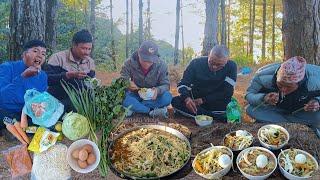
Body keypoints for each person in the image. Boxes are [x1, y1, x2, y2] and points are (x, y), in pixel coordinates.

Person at [245, 56, 320, 138]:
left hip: (301, 112)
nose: (283, 90)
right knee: (251, 109)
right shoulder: (262, 77)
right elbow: (249, 95)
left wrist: (317, 101)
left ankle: (279, 121)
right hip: (277, 110)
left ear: (299, 83)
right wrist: (264, 98)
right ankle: (299, 123)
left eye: (289, 86)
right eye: (280, 85)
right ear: (277, 77)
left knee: (317, 116)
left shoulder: (316, 79)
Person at [172, 45, 237, 120]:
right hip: (195, 100)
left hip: (216, 101)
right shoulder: (195, 63)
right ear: (209, 55)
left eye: (219, 65)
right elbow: (182, 84)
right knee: (175, 101)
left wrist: (204, 100)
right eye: (211, 62)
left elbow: (227, 92)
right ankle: (216, 117)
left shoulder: (231, 66)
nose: (214, 67)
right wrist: (187, 99)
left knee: (226, 103)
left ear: (227, 60)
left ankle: (198, 114)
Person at [0, 40, 47, 130]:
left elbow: (40, 100)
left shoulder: (43, 76)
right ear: (24, 54)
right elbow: (2, 97)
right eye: (35, 51)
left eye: (43, 54)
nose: (40, 55)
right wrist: (22, 77)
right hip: (7, 112)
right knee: (6, 119)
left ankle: (20, 130)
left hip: (28, 116)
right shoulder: (7, 68)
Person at [44, 29, 95, 111]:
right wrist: (67, 75)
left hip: (80, 104)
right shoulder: (57, 58)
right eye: (84, 48)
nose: (87, 52)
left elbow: (90, 83)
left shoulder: (90, 62)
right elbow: (47, 79)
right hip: (58, 101)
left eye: (89, 49)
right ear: (74, 45)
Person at [121, 40, 172, 118]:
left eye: (151, 61)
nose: (147, 64)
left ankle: (136, 108)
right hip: (136, 94)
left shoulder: (162, 65)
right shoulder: (128, 63)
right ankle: (151, 111)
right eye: (144, 60)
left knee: (167, 97)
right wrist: (127, 83)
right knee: (123, 98)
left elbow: (166, 85)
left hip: (153, 97)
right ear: (138, 54)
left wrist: (157, 90)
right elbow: (122, 79)